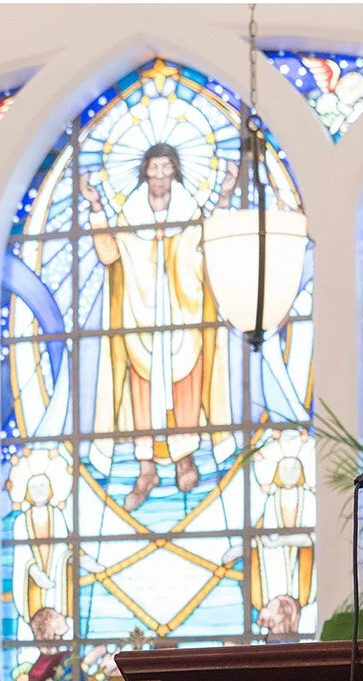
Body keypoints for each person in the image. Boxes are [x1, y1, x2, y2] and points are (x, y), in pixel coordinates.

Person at [79, 143, 232, 512]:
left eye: (167, 167)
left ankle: (184, 457)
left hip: (184, 314)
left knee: (186, 385)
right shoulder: (130, 214)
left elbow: (211, 244)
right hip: (141, 319)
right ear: (144, 172)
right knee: (142, 394)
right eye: (154, 167)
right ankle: (146, 469)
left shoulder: (189, 212)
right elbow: (109, 254)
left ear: (175, 171)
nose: (160, 174)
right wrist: (97, 206)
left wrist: (225, 196)